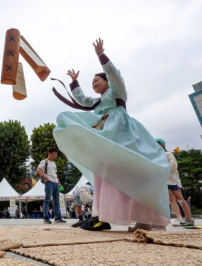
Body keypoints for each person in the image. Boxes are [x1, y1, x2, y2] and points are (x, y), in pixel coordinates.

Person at [52, 38, 171, 231]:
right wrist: (74, 82)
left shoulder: (117, 93)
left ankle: (145, 220)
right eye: (91, 83)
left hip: (125, 137)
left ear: (107, 81)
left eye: (96, 81)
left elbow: (115, 75)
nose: (93, 84)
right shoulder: (98, 102)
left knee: (132, 173)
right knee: (109, 175)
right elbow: (82, 98)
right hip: (108, 138)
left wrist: (101, 56)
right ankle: (107, 216)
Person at [156, 139, 194, 226]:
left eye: (159, 144)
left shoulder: (168, 154)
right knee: (171, 199)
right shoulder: (156, 157)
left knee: (180, 199)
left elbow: (173, 166)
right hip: (164, 181)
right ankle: (180, 218)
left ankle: (189, 218)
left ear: (162, 145)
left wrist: (161, 168)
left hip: (173, 180)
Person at [36, 147, 66, 224]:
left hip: (55, 182)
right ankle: (45, 217)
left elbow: (55, 173)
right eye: (54, 154)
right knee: (47, 200)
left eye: (56, 155)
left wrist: (58, 180)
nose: (55, 156)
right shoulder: (44, 161)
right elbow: (38, 170)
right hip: (49, 182)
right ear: (49, 153)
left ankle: (57, 217)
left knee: (56, 201)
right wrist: (44, 176)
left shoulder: (54, 163)